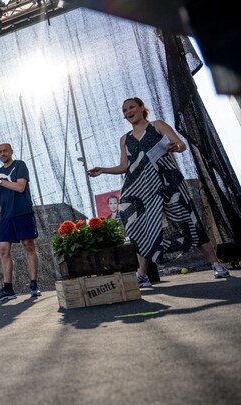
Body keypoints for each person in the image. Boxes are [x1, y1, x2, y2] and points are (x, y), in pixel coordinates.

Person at [88, 97, 230, 287]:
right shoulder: (124, 139)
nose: (128, 112)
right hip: (141, 188)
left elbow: (181, 144)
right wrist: (103, 170)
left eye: (131, 107)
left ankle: (216, 264)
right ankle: (142, 275)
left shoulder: (157, 126)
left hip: (168, 181)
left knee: (188, 220)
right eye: (124, 110)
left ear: (141, 108)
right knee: (142, 227)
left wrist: (176, 147)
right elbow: (124, 166)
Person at [0, 143, 41, 302]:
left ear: (11, 151)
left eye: (5, 150)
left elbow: (20, 187)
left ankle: (33, 285)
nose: (3, 153)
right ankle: (8, 289)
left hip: (23, 212)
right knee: (3, 250)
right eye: (0, 152)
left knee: (28, 245)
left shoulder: (20, 165)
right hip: (6, 216)